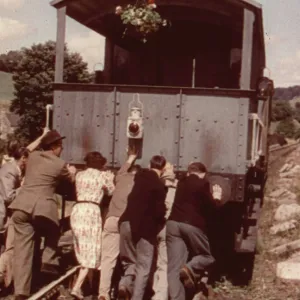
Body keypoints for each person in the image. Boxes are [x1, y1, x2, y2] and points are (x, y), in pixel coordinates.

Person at [9, 130, 77, 300]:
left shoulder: (32, 157)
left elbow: (26, 148)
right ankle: (49, 260)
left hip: (21, 207)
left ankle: (21, 292)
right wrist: (73, 172)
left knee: (22, 251)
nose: (62, 149)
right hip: (42, 209)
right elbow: (70, 181)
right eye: (60, 146)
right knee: (54, 230)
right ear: (54, 147)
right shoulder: (60, 164)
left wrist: (41, 136)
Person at [166, 162, 222, 300]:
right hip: (192, 225)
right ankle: (190, 268)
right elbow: (211, 209)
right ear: (202, 174)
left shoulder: (181, 183)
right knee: (207, 257)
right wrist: (216, 197)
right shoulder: (202, 184)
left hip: (173, 224)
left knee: (174, 267)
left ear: (189, 172)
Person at [118, 155, 167, 300]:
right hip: (145, 229)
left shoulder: (139, 178)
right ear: (163, 169)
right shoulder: (159, 186)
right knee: (143, 267)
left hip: (125, 223)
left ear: (150, 164)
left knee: (129, 261)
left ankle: (124, 284)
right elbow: (159, 212)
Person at [70, 151, 115, 300]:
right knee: (92, 250)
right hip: (92, 211)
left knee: (81, 249)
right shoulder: (102, 176)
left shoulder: (79, 175)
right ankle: (77, 287)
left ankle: (82, 285)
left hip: (77, 210)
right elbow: (111, 192)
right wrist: (111, 178)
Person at [98, 146, 140, 300]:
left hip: (110, 220)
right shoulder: (140, 184)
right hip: (126, 223)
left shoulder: (121, 176)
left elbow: (124, 167)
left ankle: (103, 293)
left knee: (108, 259)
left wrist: (131, 156)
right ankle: (124, 285)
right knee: (130, 258)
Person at [0, 146, 29, 288]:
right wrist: (23, 187)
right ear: (23, 158)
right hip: (3, 214)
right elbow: (9, 196)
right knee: (9, 248)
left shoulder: (14, 170)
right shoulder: (10, 170)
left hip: (6, 214)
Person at [152, 162, 178, 300]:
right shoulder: (178, 185)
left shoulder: (155, 184)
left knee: (153, 260)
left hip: (156, 226)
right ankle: (160, 295)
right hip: (168, 226)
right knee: (164, 262)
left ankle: (152, 290)